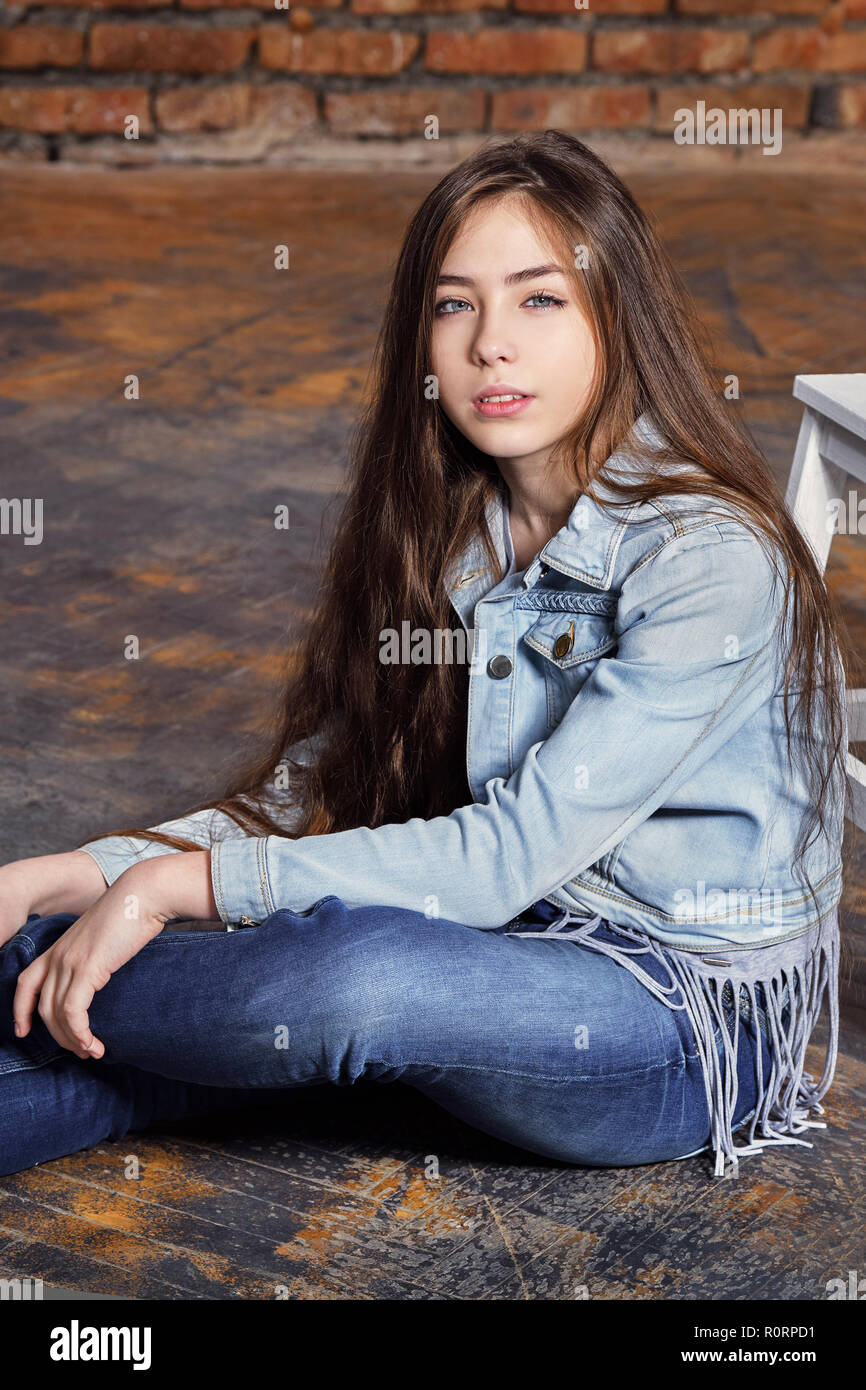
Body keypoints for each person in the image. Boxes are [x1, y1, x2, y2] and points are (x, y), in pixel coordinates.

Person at [0, 131, 853, 1181]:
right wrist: (67, 873)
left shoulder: (708, 559)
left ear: (614, 316)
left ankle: (21, 976)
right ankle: (84, 1010)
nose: (490, 342)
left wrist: (157, 895)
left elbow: (497, 861)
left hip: (669, 1021)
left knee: (356, 979)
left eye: (539, 299)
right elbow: (314, 787)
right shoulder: (452, 526)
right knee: (149, 1060)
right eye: (454, 304)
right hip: (505, 950)